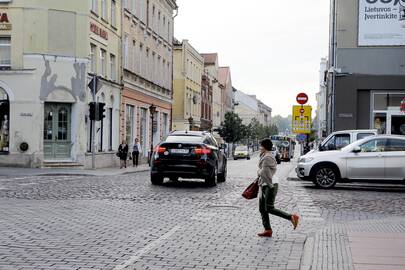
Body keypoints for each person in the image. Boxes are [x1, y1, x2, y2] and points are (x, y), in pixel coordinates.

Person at [256, 138, 300, 237]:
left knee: (269, 208)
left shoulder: (268, 157)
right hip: (264, 184)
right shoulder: (265, 155)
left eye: (261, 146)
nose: (259, 148)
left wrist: (259, 173)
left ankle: (291, 217)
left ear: (264, 147)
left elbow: (264, 173)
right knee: (262, 208)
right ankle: (267, 229)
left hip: (270, 184)